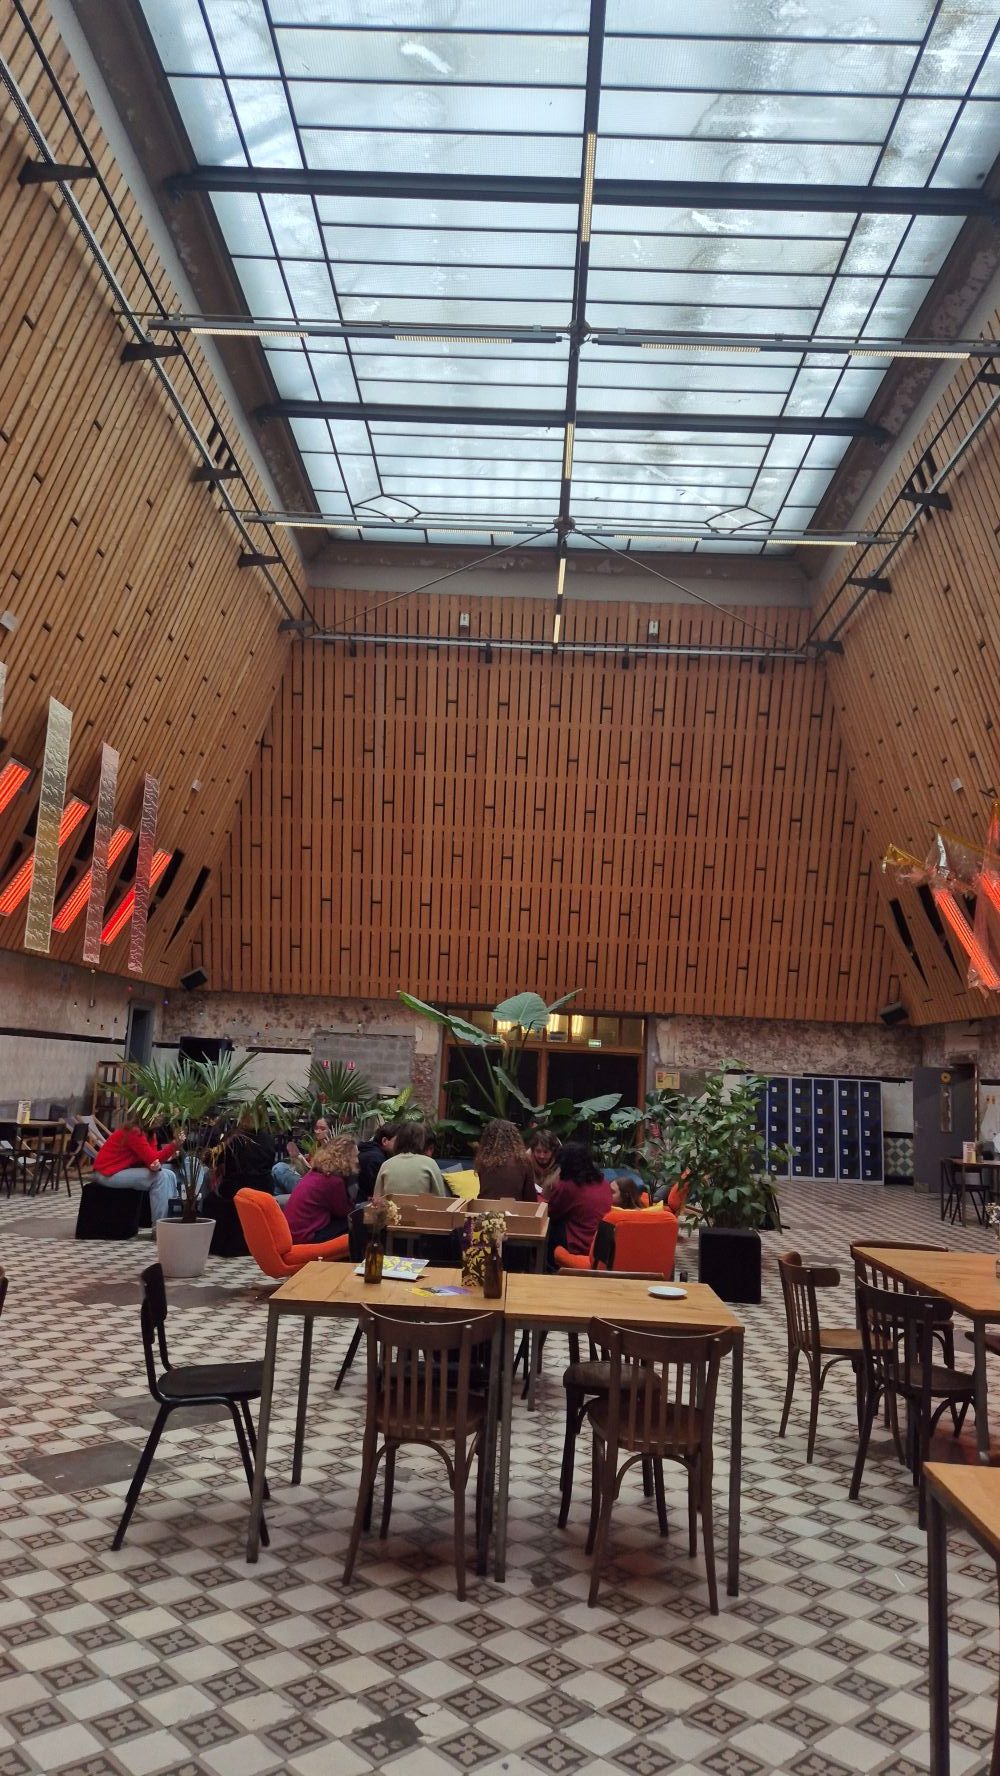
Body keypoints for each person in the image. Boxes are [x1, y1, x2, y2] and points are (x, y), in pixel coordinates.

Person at [92, 1119, 181, 1225]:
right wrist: (174, 1145)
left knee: (169, 1174)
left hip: (122, 1170)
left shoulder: (150, 1133)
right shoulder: (135, 1131)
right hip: (107, 1173)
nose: (161, 1118)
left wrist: (155, 1165)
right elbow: (153, 1159)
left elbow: (152, 1159)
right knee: (160, 1177)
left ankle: (172, 1218)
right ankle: (160, 1225)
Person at [542, 1140, 613, 1260]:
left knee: (547, 1225)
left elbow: (550, 1212)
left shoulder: (569, 1186)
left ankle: (543, 1266)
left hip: (579, 1245)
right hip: (601, 1247)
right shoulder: (604, 1183)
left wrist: (549, 1184)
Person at [284, 1137, 357, 1245]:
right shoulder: (334, 1180)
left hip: (292, 1233)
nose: (357, 1160)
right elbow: (344, 1211)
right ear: (346, 1158)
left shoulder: (316, 1172)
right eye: (355, 1156)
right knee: (355, 1219)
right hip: (306, 1236)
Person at [374, 1121, 447, 1196]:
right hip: (421, 1204)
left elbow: (377, 1198)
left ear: (398, 1140)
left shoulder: (386, 1165)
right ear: (421, 1142)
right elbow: (440, 1198)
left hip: (392, 1204)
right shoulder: (430, 1163)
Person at [474, 1119, 535, 1201]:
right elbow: (530, 1197)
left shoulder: (484, 1161)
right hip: (515, 1207)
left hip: (485, 1207)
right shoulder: (523, 1160)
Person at [272, 1115, 331, 1195]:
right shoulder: (316, 1146)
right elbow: (307, 1169)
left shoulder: (334, 1150)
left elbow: (317, 1173)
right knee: (280, 1166)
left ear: (331, 1130)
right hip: (307, 1179)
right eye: (316, 1128)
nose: (317, 1131)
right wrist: (300, 1160)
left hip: (315, 1186)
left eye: (322, 1129)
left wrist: (301, 1159)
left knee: (279, 1168)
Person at [356, 1123, 398, 1201]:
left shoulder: (367, 1151)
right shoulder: (376, 1159)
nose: (401, 1145)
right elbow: (376, 1192)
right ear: (384, 1141)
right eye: (398, 1141)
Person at [528, 1130, 561, 1196]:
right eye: (538, 1151)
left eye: (546, 1152)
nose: (542, 1156)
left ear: (553, 1151)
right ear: (533, 1150)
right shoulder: (526, 1160)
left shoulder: (561, 1163)